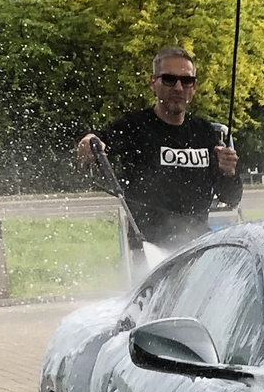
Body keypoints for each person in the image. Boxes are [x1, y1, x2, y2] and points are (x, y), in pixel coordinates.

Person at [76, 46, 242, 249]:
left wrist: (229, 172)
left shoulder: (205, 132)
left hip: (198, 246)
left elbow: (231, 198)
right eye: (169, 79)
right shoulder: (134, 127)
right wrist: (90, 141)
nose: (179, 88)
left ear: (194, 86)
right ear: (153, 82)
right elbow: (99, 141)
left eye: (186, 81)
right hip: (149, 247)